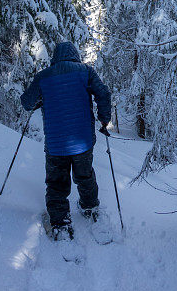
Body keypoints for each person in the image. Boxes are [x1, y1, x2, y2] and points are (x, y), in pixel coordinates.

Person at [21, 41, 111, 240]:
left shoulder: (43, 76)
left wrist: (41, 99)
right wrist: (105, 119)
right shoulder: (86, 71)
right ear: (75, 55)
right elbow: (103, 93)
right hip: (83, 141)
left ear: (55, 57)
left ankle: (61, 223)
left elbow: (27, 103)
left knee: (56, 184)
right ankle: (91, 209)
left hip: (56, 144)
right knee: (85, 176)